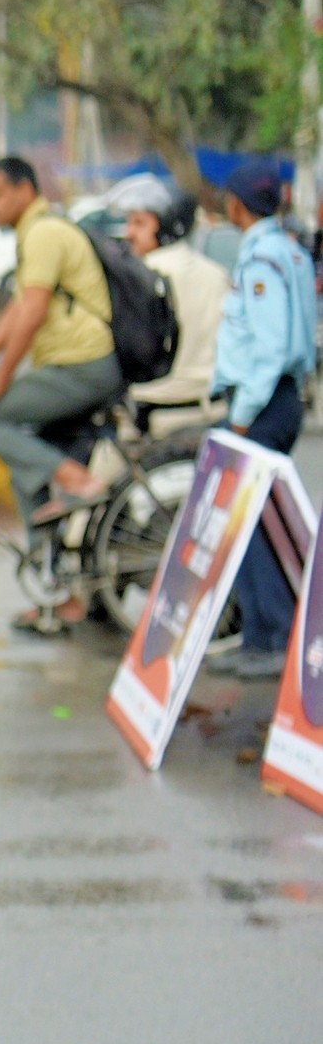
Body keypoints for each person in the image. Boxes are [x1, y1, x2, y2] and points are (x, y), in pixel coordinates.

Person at [0, 156, 125, 629]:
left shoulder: (44, 233)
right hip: (69, 366)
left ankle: (75, 479)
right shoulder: (35, 233)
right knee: (27, 473)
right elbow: (17, 308)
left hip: (84, 365)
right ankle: (60, 593)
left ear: (25, 190)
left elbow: (32, 313)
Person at [214, 163, 318, 680]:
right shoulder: (291, 251)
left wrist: (241, 416)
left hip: (263, 403)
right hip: (281, 399)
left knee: (255, 525)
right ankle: (259, 636)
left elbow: (271, 348)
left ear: (236, 204)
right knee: (257, 521)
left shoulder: (262, 259)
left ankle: (272, 638)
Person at [125, 183, 231, 434]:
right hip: (212, 410)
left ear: (166, 226)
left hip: (153, 416)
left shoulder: (140, 276)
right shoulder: (217, 275)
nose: (129, 232)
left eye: (139, 223)